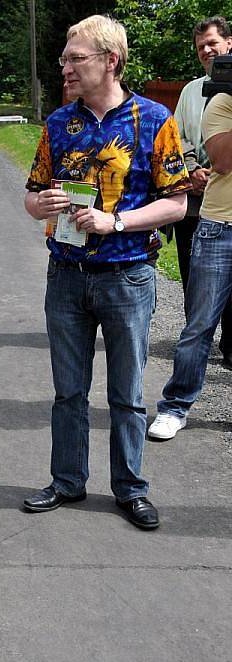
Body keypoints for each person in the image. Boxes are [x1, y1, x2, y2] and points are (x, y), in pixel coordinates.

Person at [23, 15, 190, 530]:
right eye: (64, 59)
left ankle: (130, 489)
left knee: (126, 393)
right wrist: (44, 202)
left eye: (76, 58)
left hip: (128, 276)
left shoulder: (154, 119)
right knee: (68, 390)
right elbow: (31, 199)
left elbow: (178, 204)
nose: (66, 68)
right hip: (67, 274)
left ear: (110, 61)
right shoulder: (58, 123)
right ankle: (68, 482)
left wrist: (113, 220)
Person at [148, 91, 232, 441]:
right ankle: (175, 407)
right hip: (220, 227)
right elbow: (223, 160)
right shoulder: (222, 101)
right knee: (200, 324)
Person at [172, 16, 232, 368]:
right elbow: (176, 135)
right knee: (193, 274)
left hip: (225, 199)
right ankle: (199, 340)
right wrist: (192, 167)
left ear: (228, 43)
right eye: (200, 47)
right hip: (195, 199)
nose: (207, 51)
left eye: (212, 43)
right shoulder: (191, 91)